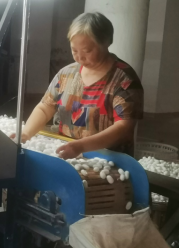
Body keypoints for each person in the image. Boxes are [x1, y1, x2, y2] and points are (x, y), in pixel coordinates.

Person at [21, 12, 144, 159]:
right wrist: (26, 133)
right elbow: (45, 107)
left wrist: (81, 146)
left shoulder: (124, 80)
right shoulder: (66, 74)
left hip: (108, 159)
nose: (79, 57)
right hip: (67, 153)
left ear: (106, 43)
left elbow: (124, 127)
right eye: (74, 50)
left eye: (87, 51)